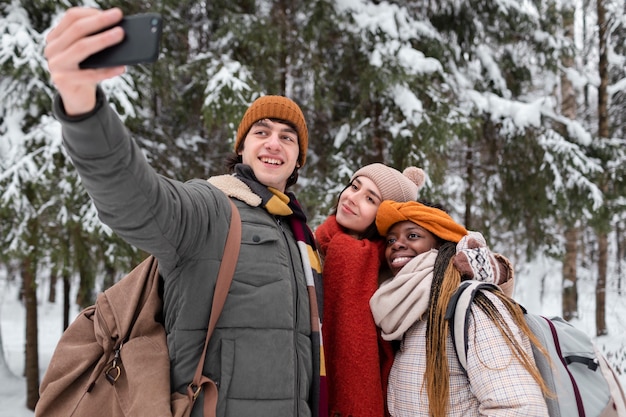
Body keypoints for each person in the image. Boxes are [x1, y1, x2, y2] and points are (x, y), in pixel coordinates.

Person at [44, 7, 323, 417]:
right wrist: (83, 110)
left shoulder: (300, 238)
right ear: (242, 148)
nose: (273, 144)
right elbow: (137, 199)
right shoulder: (211, 209)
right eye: (260, 133)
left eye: (287, 137)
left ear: (298, 159)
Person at [370, 200, 551, 417]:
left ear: (439, 244)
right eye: (391, 239)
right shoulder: (404, 313)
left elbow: (520, 409)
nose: (396, 244)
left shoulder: (472, 306)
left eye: (413, 235)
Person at [314, 163, 426, 417]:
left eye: (369, 199)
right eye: (354, 186)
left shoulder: (395, 267)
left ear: (383, 216)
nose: (352, 198)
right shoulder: (313, 244)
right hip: (308, 387)